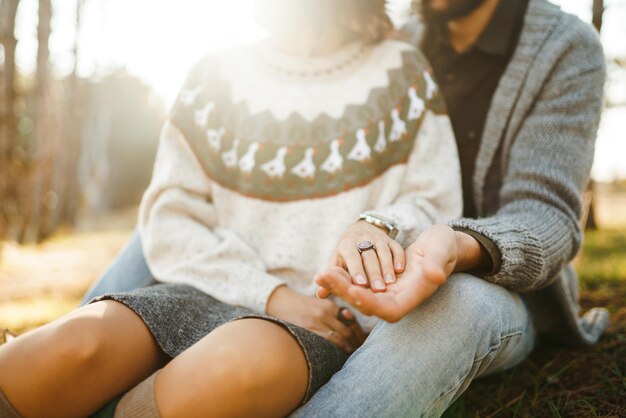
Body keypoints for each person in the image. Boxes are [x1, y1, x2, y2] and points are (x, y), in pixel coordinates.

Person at [79, 0, 609, 416]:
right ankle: (72, 365)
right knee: (161, 225)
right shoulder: (392, 41)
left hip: (489, 282)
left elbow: (549, 219)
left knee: (460, 304)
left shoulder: (565, 49)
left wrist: (456, 244)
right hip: (379, 266)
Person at [0, 1, 464, 417]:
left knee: (229, 371)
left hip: (326, 322)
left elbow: (434, 200)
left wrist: (377, 226)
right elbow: (170, 219)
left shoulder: (401, 71)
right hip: (204, 292)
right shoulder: (214, 77)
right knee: (73, 347)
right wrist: (269, 293)